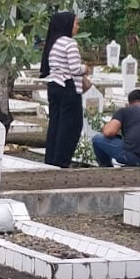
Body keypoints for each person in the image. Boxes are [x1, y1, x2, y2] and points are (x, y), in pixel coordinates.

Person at [41, 11, 88, 168]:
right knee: (71, 125)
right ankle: (62, 160)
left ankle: (51, 159)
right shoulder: (69, 43)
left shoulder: (53, 42)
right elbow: (75, 69)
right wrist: (85, 68)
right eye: (76, 23)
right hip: (68, 87)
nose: (77, 27)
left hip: (54, 85)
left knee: (55, 123)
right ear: (67, 24)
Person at [91, 89, 140, 167]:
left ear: (129, 103)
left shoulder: (125, 111)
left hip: (136, 157)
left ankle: (106, 169)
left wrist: (105, 127)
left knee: (97, 139)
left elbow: (109, 132)